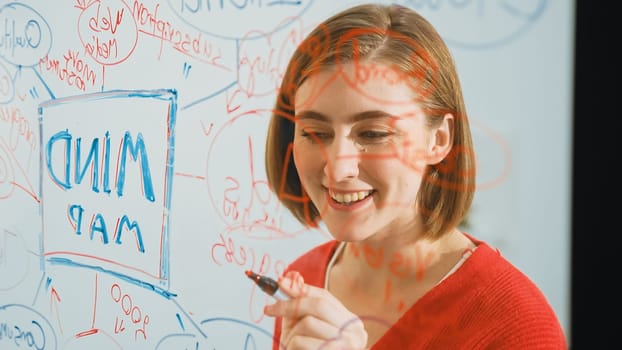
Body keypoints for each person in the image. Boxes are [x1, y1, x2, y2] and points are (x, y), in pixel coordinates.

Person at [263, 3, 567, 349]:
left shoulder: (516, 321)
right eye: (314, 132)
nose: (338, 167)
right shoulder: (303, 282)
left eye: (373, 134)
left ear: (439, 140)